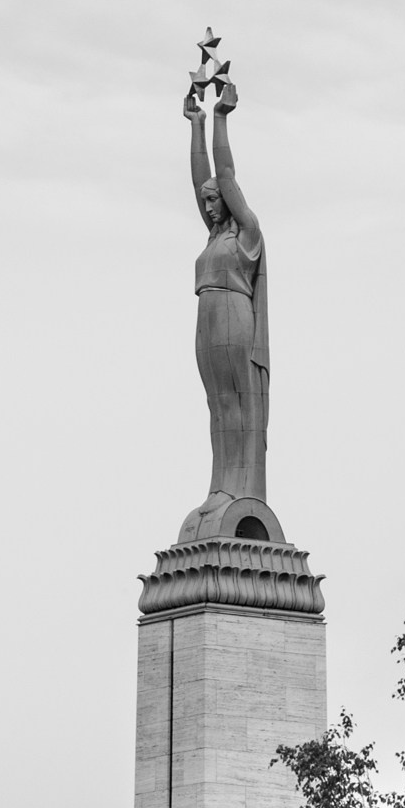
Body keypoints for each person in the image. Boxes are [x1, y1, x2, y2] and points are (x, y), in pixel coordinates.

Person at [182, 77, 269, 507]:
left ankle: (239, 488)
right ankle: (219, 485)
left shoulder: (247, 234)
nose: (209, 206)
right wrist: (193, 126)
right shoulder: (214, 238)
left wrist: (219, 120)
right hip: (208, 316)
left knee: (235, 401)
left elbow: (224, 174)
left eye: (214, 200)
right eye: (206, 201)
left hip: (235, 314)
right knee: (216, 406)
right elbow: (202, 177)